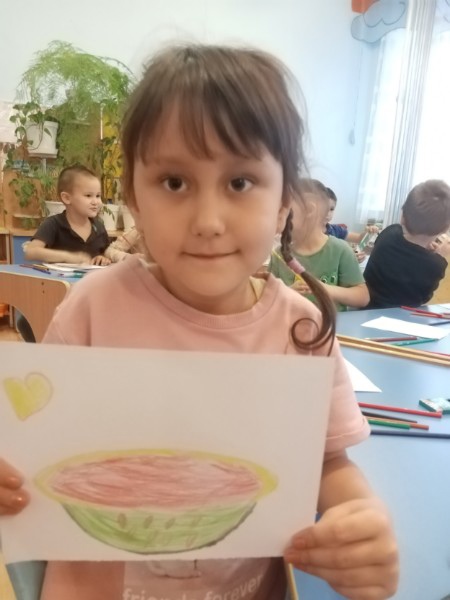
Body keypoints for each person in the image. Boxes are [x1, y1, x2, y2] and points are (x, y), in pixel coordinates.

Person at [0, 44, 398, 600]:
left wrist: (361, 520)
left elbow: (328, 461)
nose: (208, 222)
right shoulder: (93, 308)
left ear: (284, 202)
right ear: (134, 199)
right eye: (174, 182)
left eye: (240, 183)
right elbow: (36, 450)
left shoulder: (301, 330)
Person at [269, 179, 370, 311]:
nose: (280, 221)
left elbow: (362, 297)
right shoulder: (279, 254)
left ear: (310, 210)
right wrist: (287, 293)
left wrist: (324, 288)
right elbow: (268, 298)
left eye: (286, 212)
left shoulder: (340, 250)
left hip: (332, 323)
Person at [364, 179, 450, 308]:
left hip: (365, 309)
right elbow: (425, 297)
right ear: (444, 229)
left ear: (403, 216)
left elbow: (405, 255)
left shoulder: (389, 233)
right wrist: (439, 257)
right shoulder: (436, 264)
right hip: (405, 316)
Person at [23, 165, 111, 266]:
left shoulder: (99, 227)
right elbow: (31, 252)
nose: (95, 202)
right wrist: (68, 257)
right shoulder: (52, 224)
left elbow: (106, 254)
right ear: (67, 198)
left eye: (98, 196)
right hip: (58, 276)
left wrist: (103, 258)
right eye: (88, 195)